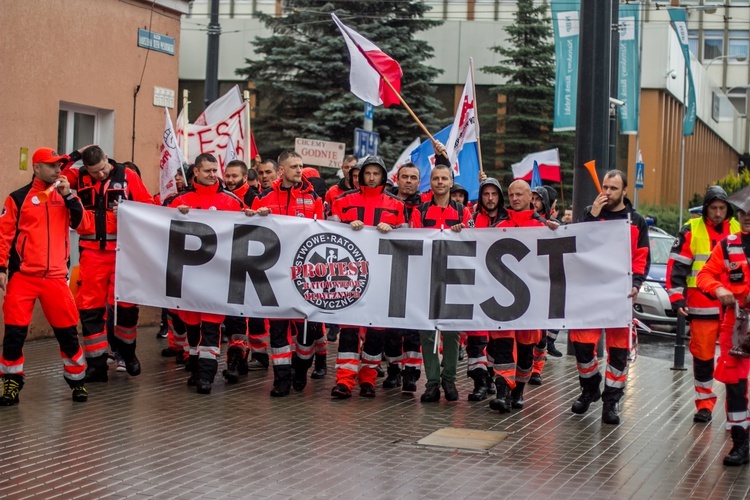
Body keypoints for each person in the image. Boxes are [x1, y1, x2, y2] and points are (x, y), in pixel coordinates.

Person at [0, 147, 90, 404]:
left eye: (59, 166)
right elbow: (3, 235)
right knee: (14, 335)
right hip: (24, 277)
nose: (57, 170)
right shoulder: (17, 198)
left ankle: (77, 382)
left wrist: (70, 197)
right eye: (51, 166)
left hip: (55, 279)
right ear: (36, 167)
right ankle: (11, 384)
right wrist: (1, 268)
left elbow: (82, 226)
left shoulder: (66, 196)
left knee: (68, 334)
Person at [62, 145, 154, 382]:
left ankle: (128, 353)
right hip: (92, 252)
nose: (100, 175)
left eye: (102, 169)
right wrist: (74, 155)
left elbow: (147, 206)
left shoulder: (127, 175)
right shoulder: (79, 176)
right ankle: (97, 363)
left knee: (126, 306)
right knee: (90, 307)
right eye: (94, 173)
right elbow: (54, 174)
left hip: (123, 251)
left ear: (107, 160)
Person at [569, 170, 649, 425]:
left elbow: (641, 256)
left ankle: (611, 402)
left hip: (619, 294)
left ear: (625, 191)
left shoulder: (636, 221)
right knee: (582, 345)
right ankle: (590, 387)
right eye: (605, 187)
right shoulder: (589, 213)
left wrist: (636, 284)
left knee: (617, 352)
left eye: (614, 188)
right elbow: (578, 243)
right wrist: (591, 215)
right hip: (590, 291)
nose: (607, 192)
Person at [329, 155, 406, 399]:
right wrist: (345, 226)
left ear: (383, 176)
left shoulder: (396, 205)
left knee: (376, 331)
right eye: (367, 173)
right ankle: (344, 380)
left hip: (382, 277)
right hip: (351, 276)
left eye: (376, 173)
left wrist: (392, 230)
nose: (371, 177)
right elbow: (328, 231)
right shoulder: (343, 201)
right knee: (349, 329)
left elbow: (407, 240)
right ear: (360, 175)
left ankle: (368, 379)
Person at [250, 151, 325, 397]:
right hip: (274, 274)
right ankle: (281, 380)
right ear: (281, 171)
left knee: (306, 335)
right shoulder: (263, 198)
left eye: (301, 166)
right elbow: (249, 231)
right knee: (279, 330)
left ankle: (301, 370)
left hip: (304, 277)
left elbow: (322, 236)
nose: (299, 170)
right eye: (294, 166)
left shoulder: (313, 198)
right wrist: (255, 217)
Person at [167, 153, 243, 394]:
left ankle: (206, 377)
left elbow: (245, 232)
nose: (213, 175)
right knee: (192, 327)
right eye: (208, 171)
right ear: (196, 172)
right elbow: (161, 229)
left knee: (211, 328)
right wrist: (175, 215)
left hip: (217, 278)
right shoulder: (180, 200)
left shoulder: (231, 201)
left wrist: (254, 215)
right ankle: (196, 368)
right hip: (188, 279)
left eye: (215, 170)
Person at [667, 186, 739, 423]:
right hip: (702, 306)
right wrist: (676, 297)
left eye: (722, 208)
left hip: (734, 307)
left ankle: (736, 406)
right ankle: (704, 405)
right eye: (713, 208)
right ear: (705, 208)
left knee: (735, 358)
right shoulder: (691, 229)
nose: (718, 213)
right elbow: (677, 267)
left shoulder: (738, 229)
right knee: (703, 357)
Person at [411, 161, 472, 402]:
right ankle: (432, 383)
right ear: (431, 182)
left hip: (453, 279)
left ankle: (449, 380)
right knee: (426, 332)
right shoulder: (421, 210)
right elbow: (415, 238)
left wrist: (462, 232)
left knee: (452, 332)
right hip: (426, 277)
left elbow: (472, 239)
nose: (440, 183)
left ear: (450, 182)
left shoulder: (462, 211)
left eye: (444, 179)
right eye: (436, 179)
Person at [696, 201, 750, 466]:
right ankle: (740, 442)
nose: (747, 217)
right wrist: (718, 289)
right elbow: (704, 275)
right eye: (743, 212)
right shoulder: (728, 244)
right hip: (737, 323)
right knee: (735, 383)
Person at [487, 180, 546, 413]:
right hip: (503, 298)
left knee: (524, 352)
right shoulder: (499, 225)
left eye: (519, 194)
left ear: (530, 196)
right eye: (510, 194)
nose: (514, 198)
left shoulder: (543, 227)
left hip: (531, 301)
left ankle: (518, 389)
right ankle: (502, 392)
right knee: (502, 346)